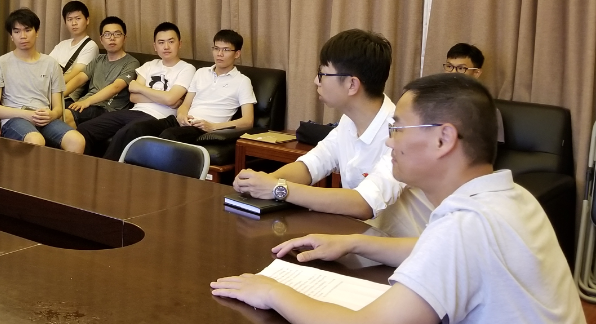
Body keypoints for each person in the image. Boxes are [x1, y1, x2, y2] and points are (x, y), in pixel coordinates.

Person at [212, 73, 584, 324]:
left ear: (443, 139)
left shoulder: (465, 226)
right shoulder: (511, 197)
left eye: (399, 128)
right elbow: (432, 248)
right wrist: (354, 243)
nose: (390, 142)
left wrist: (273, 291)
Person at [235, 30, 431, 237]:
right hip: (358, 239)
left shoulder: (400, 135)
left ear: (352, 84)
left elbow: (363, 203)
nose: (316, 81)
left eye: (322, 74)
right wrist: (260, 182)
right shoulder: (349, 120)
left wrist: (278, 188)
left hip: (400, 249)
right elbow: (312, 165)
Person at [103, 30, 256, 160]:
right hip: (181, 121)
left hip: (203, 128)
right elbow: (186, 104)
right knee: (135, 128)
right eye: (216, 48)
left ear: (237, 53)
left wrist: (213, 126)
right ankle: (110, 168)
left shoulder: (242, 81)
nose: (220, 54)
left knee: (168, 135)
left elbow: (248, 121)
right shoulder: (201, 72)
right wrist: (182, 115)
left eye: (226, 50)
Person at [76, 22, 195, 157]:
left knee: (127, 132)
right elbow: (133, 96)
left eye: (171, 42)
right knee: (85, 128)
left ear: (180, 44)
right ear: (155, 46)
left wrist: (142, 89)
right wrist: (165, 98)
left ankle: (107, 169)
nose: (166, 47)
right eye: (161, 42)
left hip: (159, 118)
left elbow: (169, 99)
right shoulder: (149, 65)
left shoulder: (187, 68)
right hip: (133, 112)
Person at [0, 8, 85, 153]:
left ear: (37, 32)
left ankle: (61, 170)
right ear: (11, 36)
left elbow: (58, 107)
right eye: (17, 31)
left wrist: (52, 114)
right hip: (15, 119)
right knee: (36, 140)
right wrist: (26, 114)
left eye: (27, 30)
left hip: (45, 118)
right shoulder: (1, 63)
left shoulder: (51, 64)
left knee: (77, 140)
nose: (23, 36)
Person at [63, 16, 139, 128]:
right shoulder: (98, 59)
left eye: (117, 34)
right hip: (85, 104)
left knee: (64, 116)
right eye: (107, 34)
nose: (112, 38)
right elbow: (79, 79)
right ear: (101, 39)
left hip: (107, 109)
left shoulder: (132, 63)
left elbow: (116, 87)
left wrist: (87, 101)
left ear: (124, 38)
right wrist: (58, 96)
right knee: (50, 110)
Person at [444, 42, 504, 143]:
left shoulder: (487, 111)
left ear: (476, 73)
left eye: (461, 68)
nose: (453, 73)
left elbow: (490, 149)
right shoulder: (432, 101)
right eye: (449, 67)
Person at [47, 0, 99, 99]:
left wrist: (49, 87)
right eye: (69, 19)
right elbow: (47, 66)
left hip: (67, 95)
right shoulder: (62, 44)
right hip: (50, 89)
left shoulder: (91, 46)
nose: (74, 23)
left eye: (78, 18)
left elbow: (75, 74)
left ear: (87, 20)